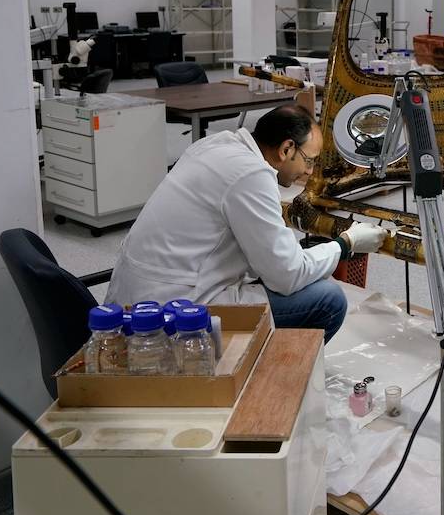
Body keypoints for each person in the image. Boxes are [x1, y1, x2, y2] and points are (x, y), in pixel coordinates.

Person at [106, 103, 386, 342]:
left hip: (134, 295)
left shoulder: (216, 145)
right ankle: (281, 379)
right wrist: (345, 245)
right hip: (177, 309)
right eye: (309, 160)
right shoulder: (250, 175)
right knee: (328, 299)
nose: (310, 171)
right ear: (286, 149)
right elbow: (287, 275)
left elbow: (260, 251)